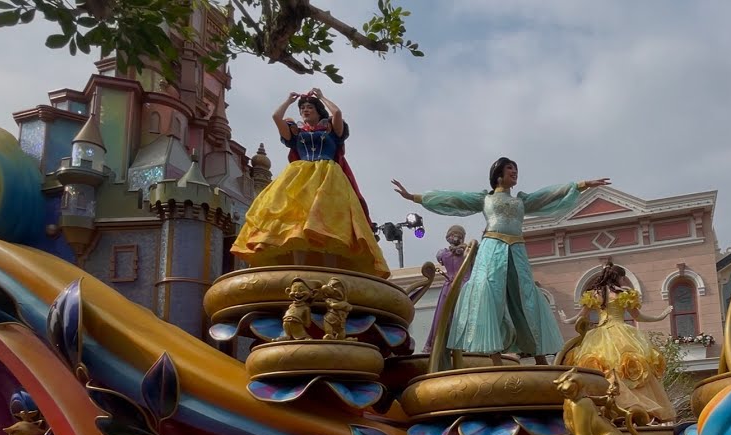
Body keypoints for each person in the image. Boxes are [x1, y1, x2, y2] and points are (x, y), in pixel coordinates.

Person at [392, 159, 610, 364]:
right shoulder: (484, 199)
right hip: (492, 249)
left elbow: (549, 194)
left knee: (526, 298)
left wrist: (581, 185)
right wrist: (415, 197)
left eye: (515, 169)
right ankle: (496, 358)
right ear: (498, 175)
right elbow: (453, 198)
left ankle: (540, 357)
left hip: (517, 250)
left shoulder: (521, 201)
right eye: (509, 169)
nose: (514, 172)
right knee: (490, 298)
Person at [231, 88, 389, 278]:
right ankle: (299, 272)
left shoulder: (331, 130)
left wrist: (321, 97)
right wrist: (289, 100)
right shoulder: (296, 132)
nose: (305, 110)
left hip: (328, 179)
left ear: (318, 110)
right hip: (300, 177)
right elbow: (275, 116)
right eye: (302, 108)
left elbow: (337, 113)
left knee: (329, 225)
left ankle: (330, 273)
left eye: (309, 107)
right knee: (296, 224)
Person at [563, 260, 676, 423]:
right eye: (623, 279)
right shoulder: (623, 293)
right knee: (626, 370)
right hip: (621, 333)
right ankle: (631, 407)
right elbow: (638, 316)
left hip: (599, 335)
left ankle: (610, 407)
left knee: (606, 369)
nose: (624, 282)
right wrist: (660, 316)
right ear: (618, 277)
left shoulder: (595, 294)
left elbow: (581, 316)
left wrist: (566, 320)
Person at [424, 225, 469, 352]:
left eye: (457, 234)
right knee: (445, 317)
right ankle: (443, 346)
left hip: (465, 288)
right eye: (452, 234)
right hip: (449, 288)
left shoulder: (469, 251)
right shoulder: (443, 253)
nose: (454, 237)